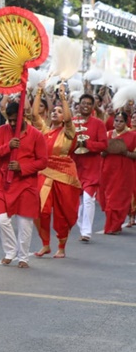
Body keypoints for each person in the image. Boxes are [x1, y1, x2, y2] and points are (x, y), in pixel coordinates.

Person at [0, 102, 48, 268]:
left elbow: (43, 161)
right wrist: (7, 147)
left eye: (16, 120)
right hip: (4, 183)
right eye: (10, 120)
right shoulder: (2, 131)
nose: (13, 123)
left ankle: (23, 257)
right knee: (0, 219)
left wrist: (22, 167)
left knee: (25, 224)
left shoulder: (36, 135)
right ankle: (10, 250)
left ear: (24, 116)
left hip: (26, 184)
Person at [31, 85, 80, 258]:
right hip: (45, 172)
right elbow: (34, 114)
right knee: (40, 209)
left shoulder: (68, 132)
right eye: (54, 111)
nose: (55, 113)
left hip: (64, 175)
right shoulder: (45, 131)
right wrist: (38, 91)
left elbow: (68, 119)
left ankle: (61, 246)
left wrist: (63, 98)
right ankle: (45, 244)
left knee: (61, 213)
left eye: (59, 111)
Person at [72, 94, 107, 242]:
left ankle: (86, 231)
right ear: (78, 105)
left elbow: (104, 145)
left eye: (88, 103)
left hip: (92, 166)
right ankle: (82, 226)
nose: (85, 105)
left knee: (88, 199)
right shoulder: (72, 122)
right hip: (75, 165)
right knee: (78, 201)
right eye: (83, 103)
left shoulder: (98, 124)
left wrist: (88, 145)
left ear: (92, 107)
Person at [99, 111, 136, 235]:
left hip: (124, 171)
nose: (118, 123)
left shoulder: (132, 136)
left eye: (121, 121)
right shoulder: (108, 134)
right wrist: (104, 151)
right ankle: (111, 225)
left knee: (118, 198)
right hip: (108, 170)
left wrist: (125, 153)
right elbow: (101, 151)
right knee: (107, 197)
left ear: (126, 123)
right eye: (116, 120)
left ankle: (114, 226)